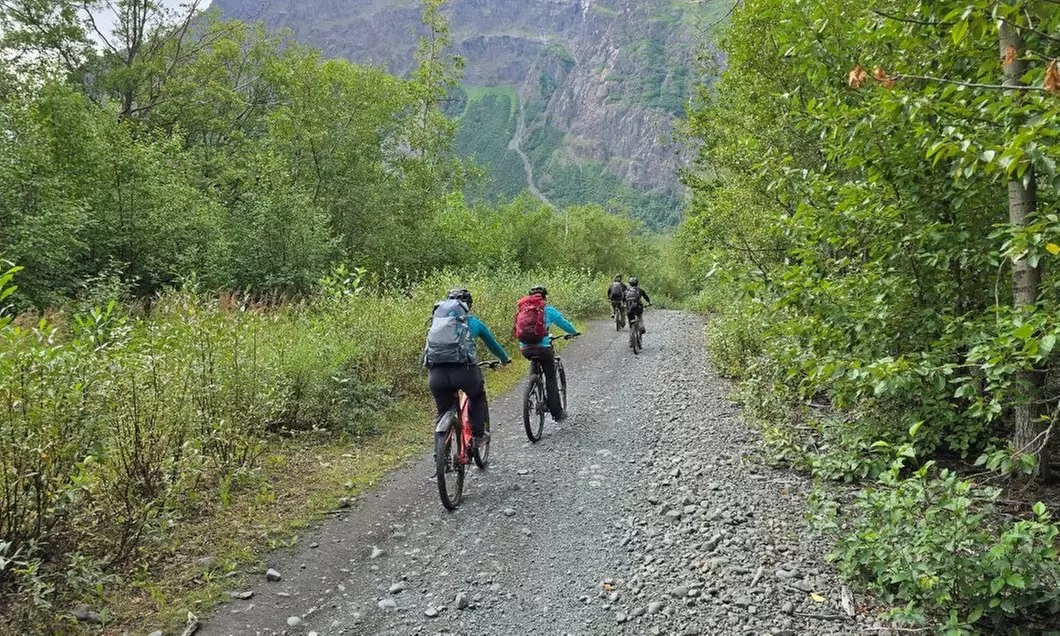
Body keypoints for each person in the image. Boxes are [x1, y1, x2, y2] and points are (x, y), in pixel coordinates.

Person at [424, 288, 511, 448]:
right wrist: (504, 359)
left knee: (443, 411)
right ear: (468, 306)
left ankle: (441, 455)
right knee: (477, 396)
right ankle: (478, 436)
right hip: (465, 372)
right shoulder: (474, 322)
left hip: (437, 374)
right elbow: (492, 344)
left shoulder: (437, 324)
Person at [518, 285, 579, 421]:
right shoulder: (548, 310)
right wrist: (574, 332)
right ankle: (557, 413)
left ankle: (531, 392)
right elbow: (563, 323)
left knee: (534, 368)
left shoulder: (522, 310)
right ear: (544, 297)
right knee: (550, 377)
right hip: (544, 348)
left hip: (525, 348)